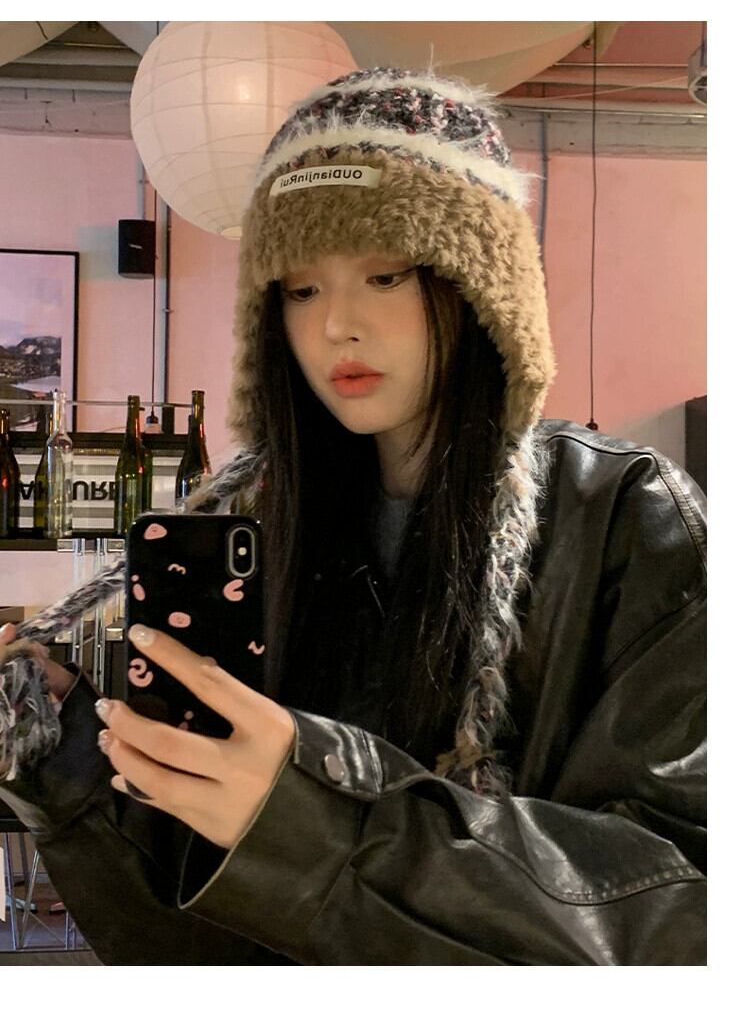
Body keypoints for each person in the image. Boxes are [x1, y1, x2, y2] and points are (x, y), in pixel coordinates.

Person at [0, 67, 706, 965]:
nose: (336, 324)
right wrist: (62, 756)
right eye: (300, 288)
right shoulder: (271, 526)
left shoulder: (627, 516)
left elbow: (680, 913)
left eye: (385, 273)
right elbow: (200, 940)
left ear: (480, 286)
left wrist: (319, 818)